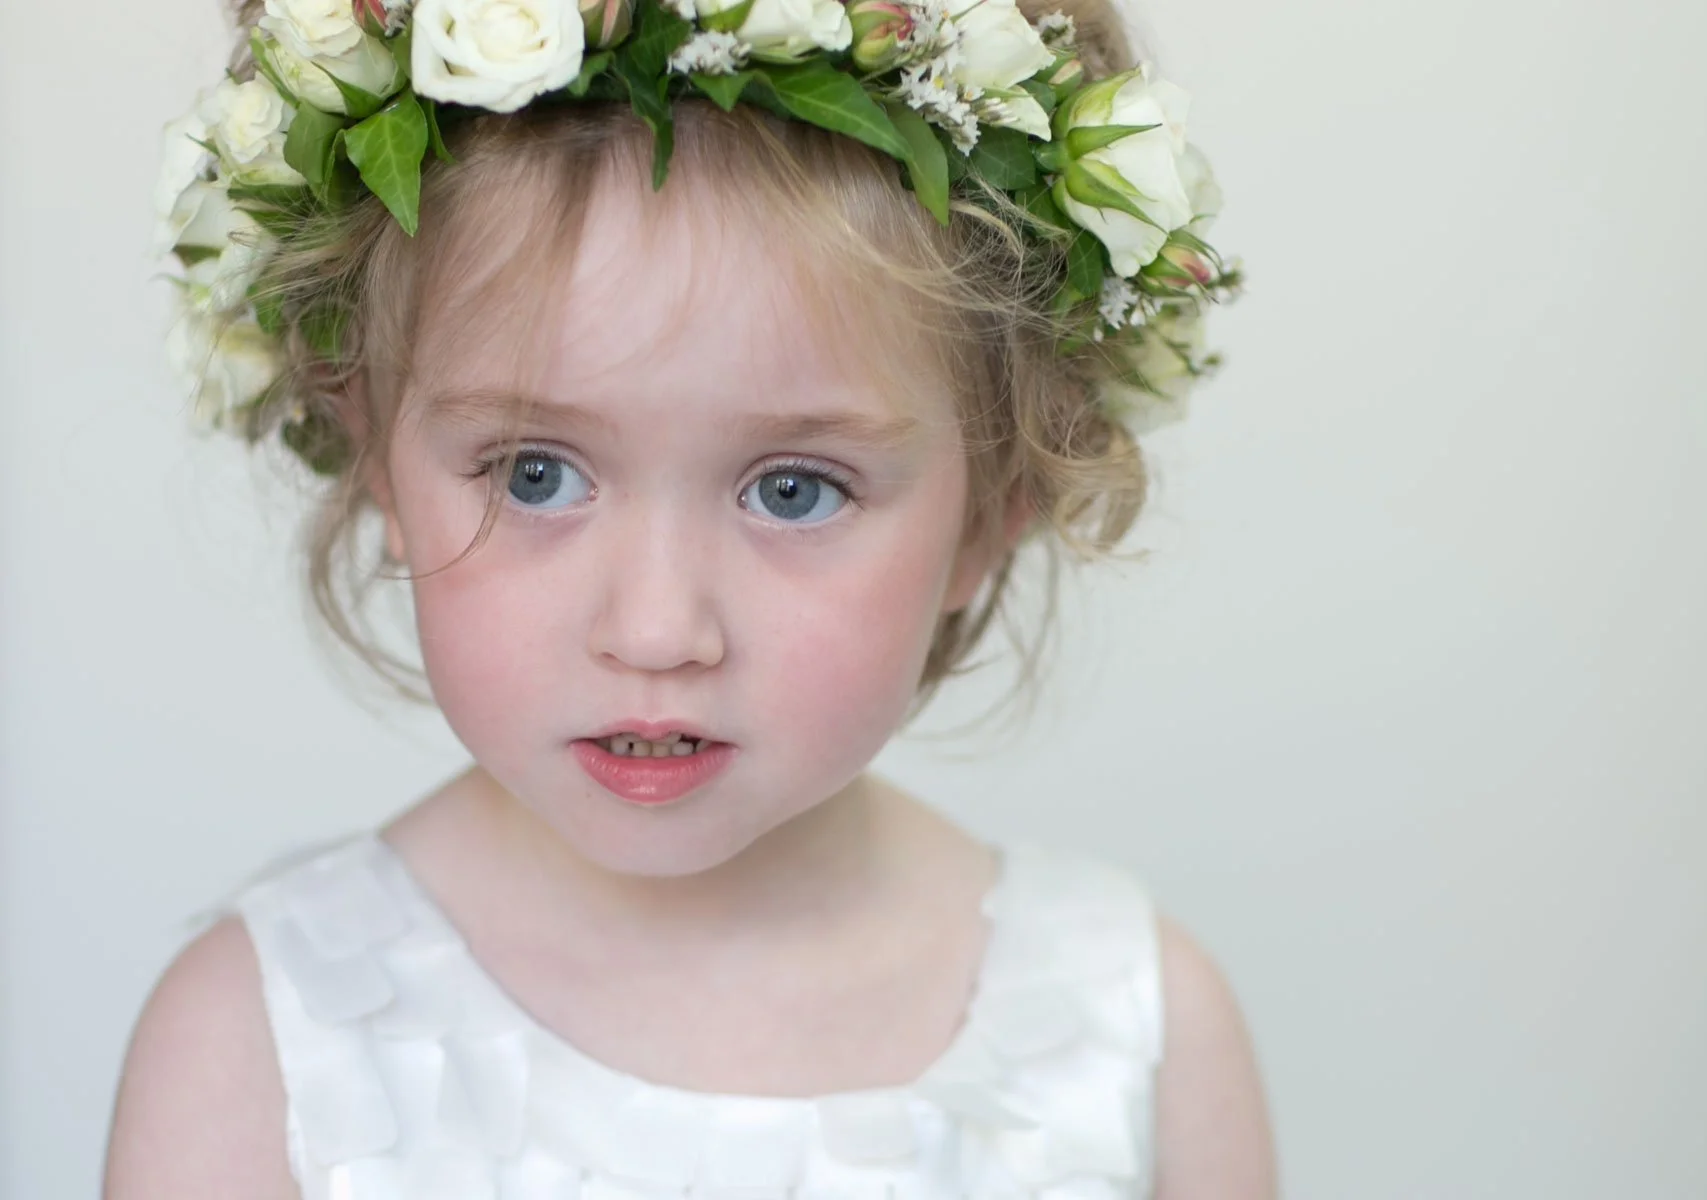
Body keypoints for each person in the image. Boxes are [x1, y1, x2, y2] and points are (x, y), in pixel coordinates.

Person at [108, 0, 1273, 1195]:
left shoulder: (1138, 1032)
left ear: (995, 508)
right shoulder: (262, 1044)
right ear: (373, 456)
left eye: (794, 490)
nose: (658, 631)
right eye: (535, 473)